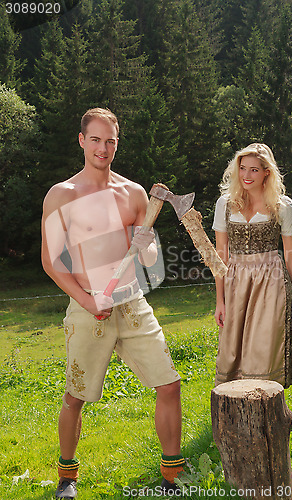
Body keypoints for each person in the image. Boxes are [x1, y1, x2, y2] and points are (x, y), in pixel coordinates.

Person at [41, 108, 184, 499]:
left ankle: (172, 476)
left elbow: (150, 258)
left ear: (117, 144)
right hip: (88, 308)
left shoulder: (134, 193)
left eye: (111, 141)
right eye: (96, 139)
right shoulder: (62, 195)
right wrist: (87, 300)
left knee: (169, 386)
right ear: (82, 140)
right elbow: (51, 261)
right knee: (75, 396)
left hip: (131, 303)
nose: (103, 148)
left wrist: (147, 245)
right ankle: (67, 477)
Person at [213, 143, 292, 388]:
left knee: (266, 344)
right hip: (235, 281)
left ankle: (266, 408)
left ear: (267, 172)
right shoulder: (225, 203)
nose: (246, 176)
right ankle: (236, 412)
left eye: (254, 170)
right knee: (234, 347)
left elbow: (291, 254)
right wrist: (220, 301)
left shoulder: (282, 205)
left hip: (272, 280)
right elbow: (221, 255)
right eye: (242, 168)